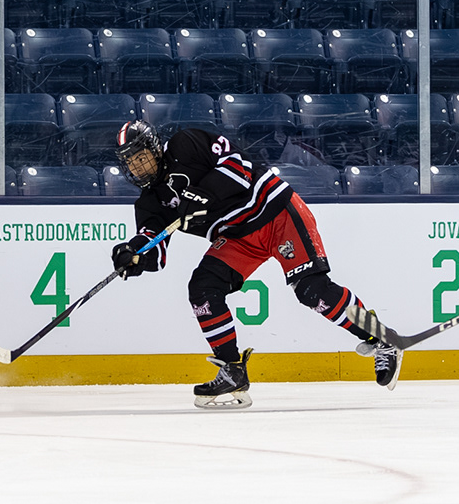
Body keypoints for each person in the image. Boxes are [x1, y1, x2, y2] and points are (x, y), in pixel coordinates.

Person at [110, 121, 400, 409]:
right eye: (130, 162)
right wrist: (132, 254)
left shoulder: (186, 144)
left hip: (274, 210)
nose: (137, 166)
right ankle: (232, 370)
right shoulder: (151, 202)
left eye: (140, 156)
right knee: (203, 288)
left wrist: (204, 194)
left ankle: (383, 338)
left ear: (154, 149)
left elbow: (239, 166)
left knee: (312, 290)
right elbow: (153, 247)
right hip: (238, 237)